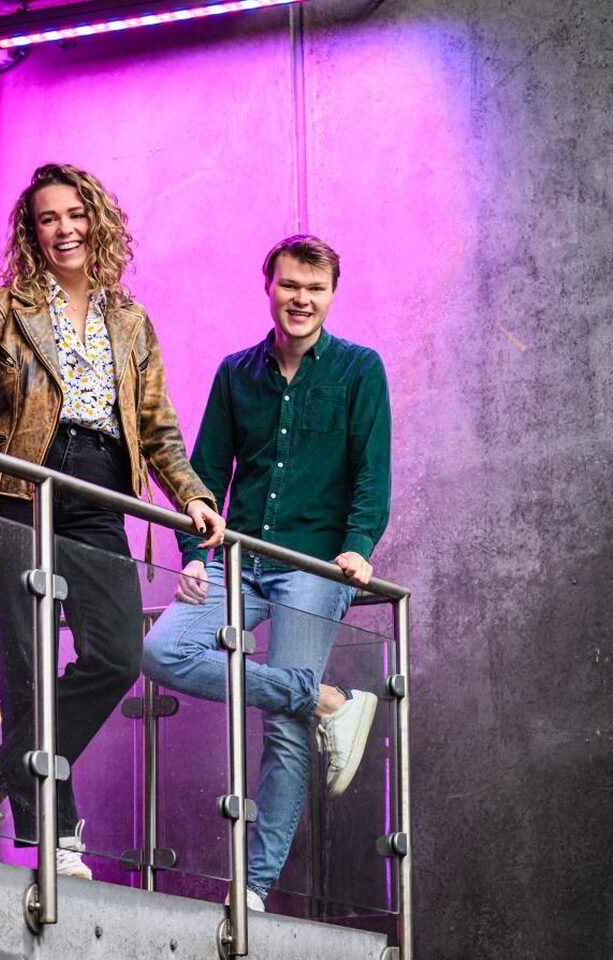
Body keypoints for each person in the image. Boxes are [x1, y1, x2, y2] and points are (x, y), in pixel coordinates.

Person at [0, 162, 225, 878]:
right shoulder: (2, 310)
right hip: (17, 489)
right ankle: (56, 835)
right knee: (25, 667)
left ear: (97, 220)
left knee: (117, 656)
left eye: (74, 214)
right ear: (32, 232)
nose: (63, 229)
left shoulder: (130, 320)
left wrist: (192, 496)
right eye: (47, 219)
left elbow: (157, 430)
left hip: (102, 494)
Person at [141, 234, 391, 911]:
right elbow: (203, 473)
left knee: (282, 727)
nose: (301, 299)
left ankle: (252, 886)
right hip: (238, 560)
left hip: (314, 567)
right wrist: (194, 557)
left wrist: (358, 546)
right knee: (162, 651)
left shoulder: (359, 370)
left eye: (315, 289)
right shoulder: (236, 373)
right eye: (290, 286)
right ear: (269, 287)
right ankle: (327, 700)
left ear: (331, 294)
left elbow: (372, 474)